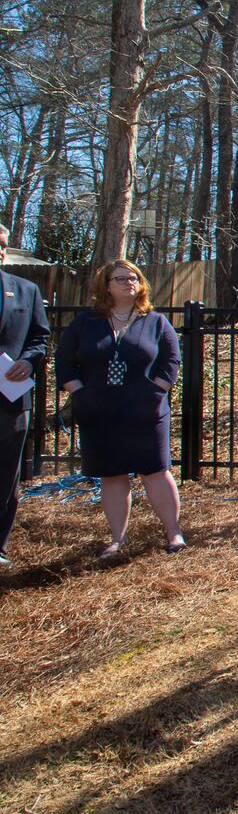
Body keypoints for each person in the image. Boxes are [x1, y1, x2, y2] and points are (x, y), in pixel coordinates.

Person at [57, 260, 185, 559]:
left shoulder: (154, 321)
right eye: (121, 278)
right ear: (106, 286)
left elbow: (171, 360)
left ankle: (173, 531)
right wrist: (81, 393)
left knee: (155, 471)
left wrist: (157, 390)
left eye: (134, 277)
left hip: (145, 411)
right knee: (112, 475)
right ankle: (118, 539)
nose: (130, 282)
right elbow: (64, 362)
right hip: (99, 411)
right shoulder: (85, 323)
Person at [0, 224, 50, 569]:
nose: (0, 250)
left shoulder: (25, 290)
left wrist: (28, 362)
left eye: (2, 245)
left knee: (5, 476)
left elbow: (39, 338)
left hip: (10, 401)